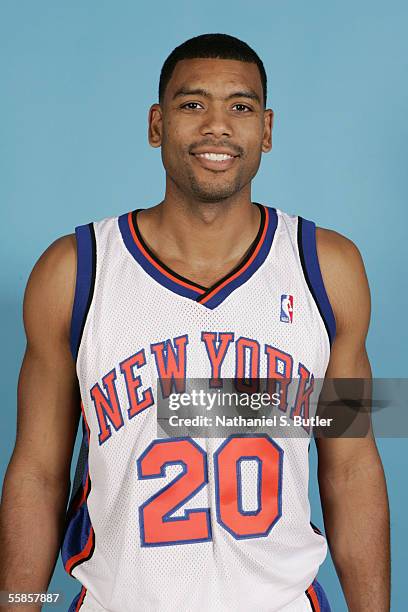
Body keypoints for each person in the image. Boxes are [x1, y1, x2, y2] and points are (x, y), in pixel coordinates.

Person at [0, 33, 390, 612]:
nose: (217, 127)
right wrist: (21, 603)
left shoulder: (327, 268)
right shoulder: (75, 272)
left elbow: (351, 464)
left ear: (267, 129)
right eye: (192, 104)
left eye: (241, 106)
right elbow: (37, 474)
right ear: (156, 125)